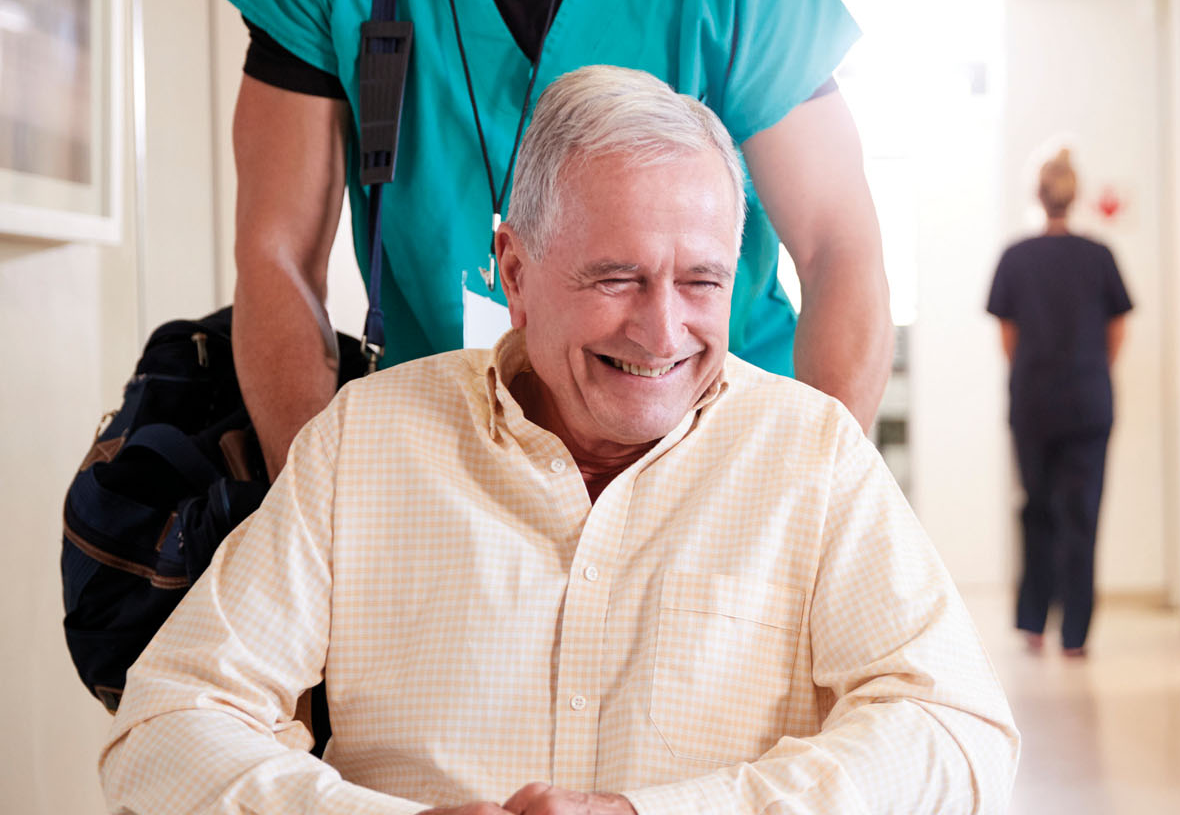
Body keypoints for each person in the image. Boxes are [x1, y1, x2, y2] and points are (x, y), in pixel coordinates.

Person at [101, 66, 1018, 815]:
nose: (663, 333)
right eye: (617, 278)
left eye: (701, 282)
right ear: (515, 272)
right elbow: (166, 723)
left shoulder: (808, 454)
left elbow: (956, 731)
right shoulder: (369, 441)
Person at [223, 0, 891, 479]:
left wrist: (822, 505)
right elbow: (275, 257)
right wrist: (317, 507)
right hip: (453, 461)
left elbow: (839, 248)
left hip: (717, 456)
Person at [985, 150, 1132, 658]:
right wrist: (1092, 371)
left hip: (1034, 402)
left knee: (1036, 509)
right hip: (1089, 402)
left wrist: (1033, 373)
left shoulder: (1016, 257)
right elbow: (1117, 330)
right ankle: (1076, 634)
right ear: (1075, 194)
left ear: (1038, 195)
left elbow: (1008, 337)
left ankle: (1032, 622)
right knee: (1082, 515)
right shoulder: (1100, 257)